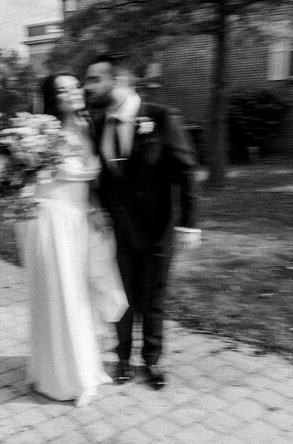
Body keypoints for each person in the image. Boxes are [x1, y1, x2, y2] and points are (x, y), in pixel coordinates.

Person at [84, 54, 201, 390]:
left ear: (119, 81)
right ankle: (122, 357)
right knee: (121, 296)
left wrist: (189, 223)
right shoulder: (97, 124)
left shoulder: (161, 117)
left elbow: (185, 170)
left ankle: (152, 360)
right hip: (117, 232)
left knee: (153, 299)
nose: (87, 87)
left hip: (156, 230)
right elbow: (102, 177)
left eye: (94, 79)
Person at [16, 73, 128, 407]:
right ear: (52, 98)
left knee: (84, 295)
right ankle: (67, 378)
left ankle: (87, 366)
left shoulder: (88, 126)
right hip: (52, 221)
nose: (73, 92)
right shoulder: (39, 132)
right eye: (62, 89)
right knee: (62, 295)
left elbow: (92, 181)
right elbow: (26, 179)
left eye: (75, 86)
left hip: (82, 220)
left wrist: (96, 210)